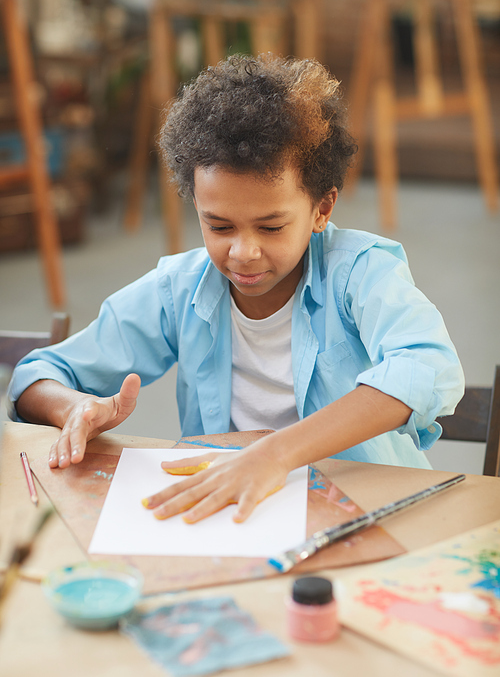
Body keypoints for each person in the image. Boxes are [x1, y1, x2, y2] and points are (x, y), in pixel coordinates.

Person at [7, 54, 464, 524]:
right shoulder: (179, 290)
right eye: (220, 225)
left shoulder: (360, 274)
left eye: (270, 227)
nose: (243, 252)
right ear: (197, 205)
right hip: (238, 519)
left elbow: (428, 366)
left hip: (367, 512)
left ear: (321, 208)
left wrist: (276, 454)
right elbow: (35, 376)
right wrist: (75, 406)